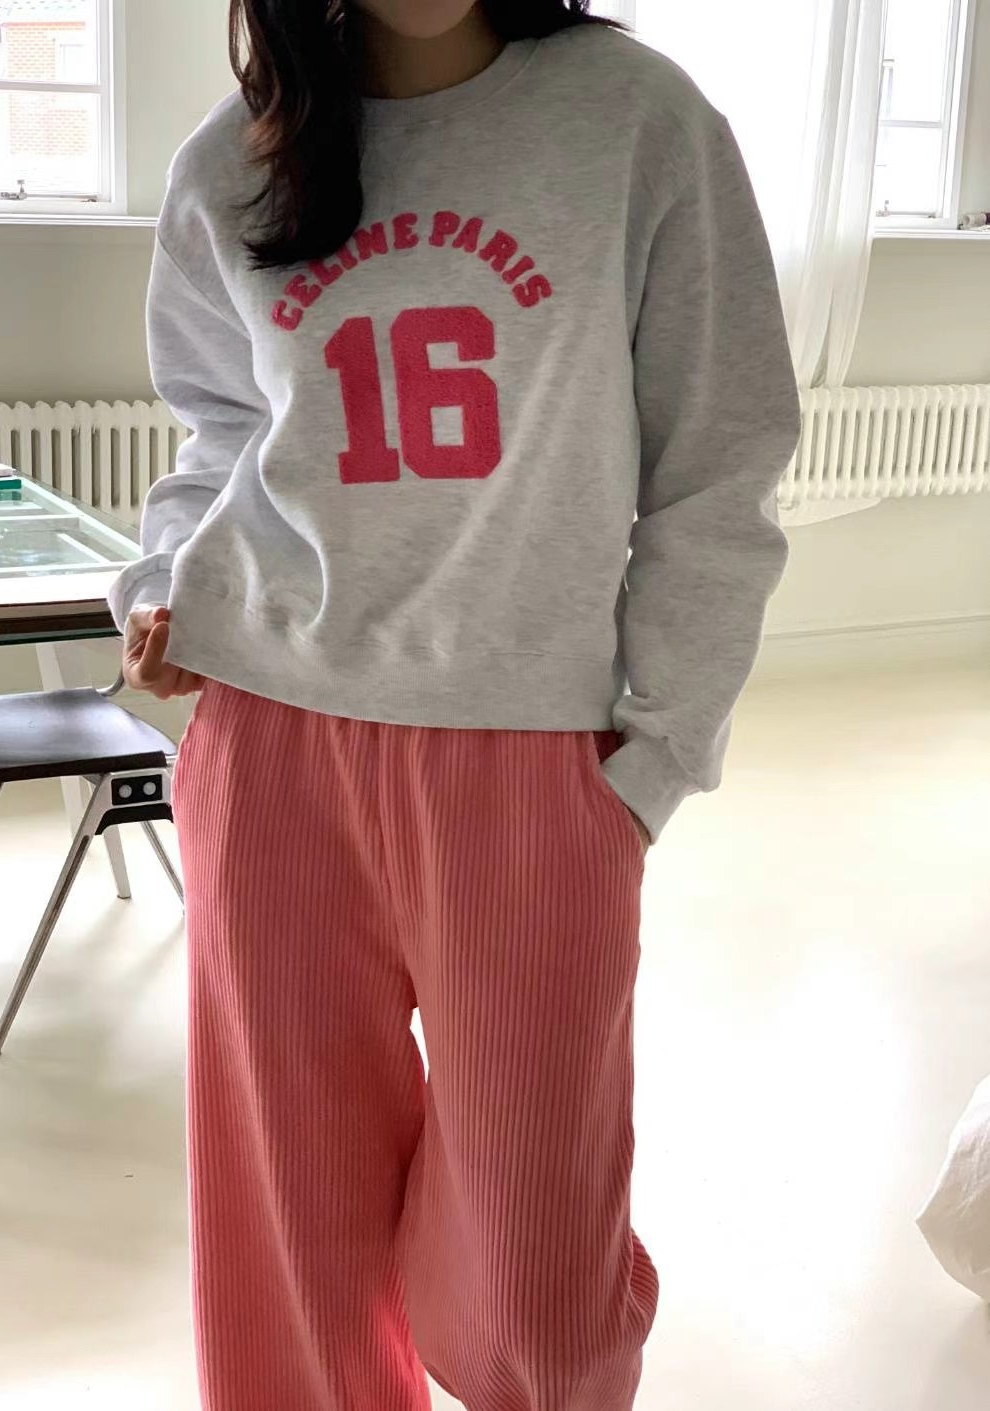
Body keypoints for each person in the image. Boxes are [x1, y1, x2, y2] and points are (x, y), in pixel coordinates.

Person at [112, 2, 801, 1408]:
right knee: (286, 1209)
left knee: (535, 1240)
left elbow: (717, 459)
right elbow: (222, 425)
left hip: (529, 752)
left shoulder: (637, 119)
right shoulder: (235, 158)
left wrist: (657, 753)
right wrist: (167, 582)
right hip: (269, 736)